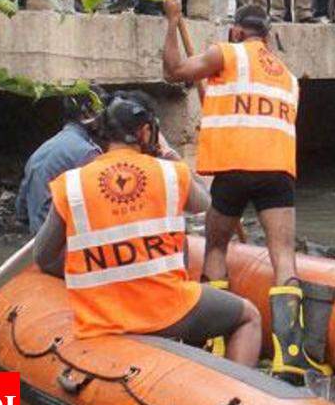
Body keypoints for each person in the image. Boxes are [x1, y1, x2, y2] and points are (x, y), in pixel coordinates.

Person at [160, 0, 330, 382]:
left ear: (237, 30)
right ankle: (290, 352)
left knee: (217, 246)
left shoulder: (227, 54)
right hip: (277, 171)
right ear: (267, 38)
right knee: (283, 255)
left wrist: (172, 21)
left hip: (234, 169)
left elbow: (174, 71)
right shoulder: (287, 77)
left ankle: (215, 339)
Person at [33, 91, 263, 365]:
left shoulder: (70, 184)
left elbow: (44, 257)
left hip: (100, 318)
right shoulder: (169, 173)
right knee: (249, 316)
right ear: (145, 132)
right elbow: (204, 201)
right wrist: (168, 155)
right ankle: (237, 391)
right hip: (167, 311)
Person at [16, 91, 107, 234]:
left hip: (41, 242)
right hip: (66, 243)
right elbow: (103, 206)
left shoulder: (43, 150)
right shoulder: (86, 153)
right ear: (87, 115)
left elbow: (21, 211)